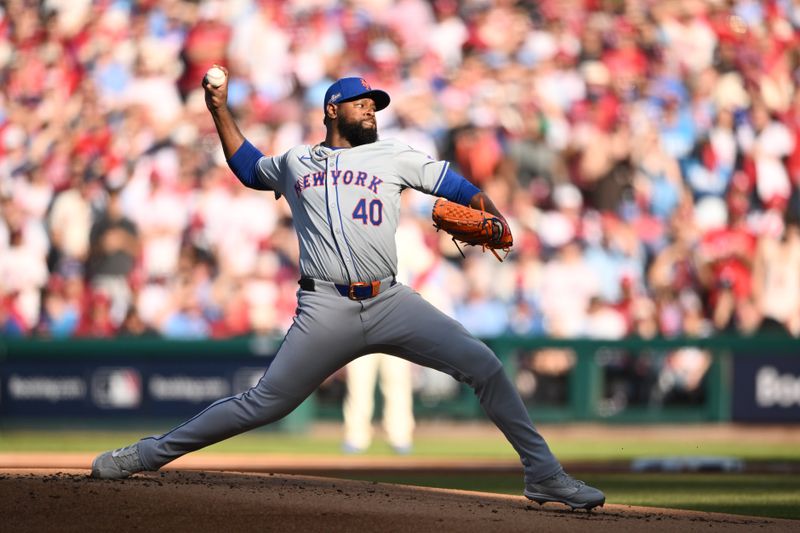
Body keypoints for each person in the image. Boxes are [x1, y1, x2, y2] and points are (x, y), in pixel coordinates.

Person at [91, 71, 605, 511]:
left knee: (486, 367)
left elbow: (457, 188)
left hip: (390, 301)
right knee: (264, 403)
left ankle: (543, 474)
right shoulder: (296, 162)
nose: (372, 111)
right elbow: (248, 168)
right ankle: (147, 453)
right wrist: (218, 109)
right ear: (333, 109)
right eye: (363, 104)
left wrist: (488, 209)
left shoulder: (393, 156)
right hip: (324, 307)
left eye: (375, 105)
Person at [342, 352, 415, 455]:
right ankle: (355, 437)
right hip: (361, 338)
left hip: (394, 339)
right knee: (358, 386)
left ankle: (400, 437)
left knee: (398, 385)